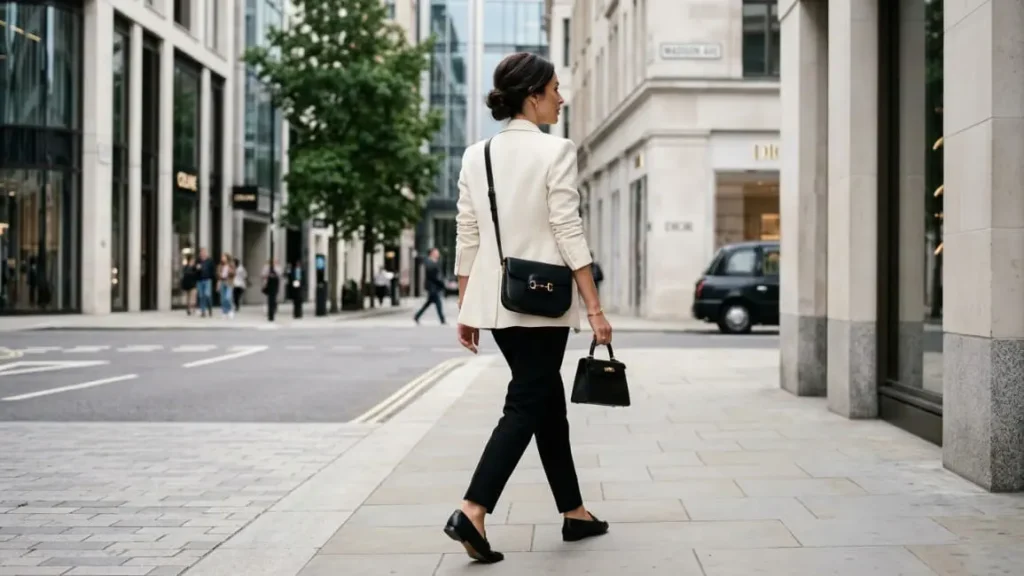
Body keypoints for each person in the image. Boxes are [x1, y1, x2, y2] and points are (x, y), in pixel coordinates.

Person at [443, 52, 612, 564]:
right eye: (556, 89)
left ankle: (574, 512)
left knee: (544, 400)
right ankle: (473, 509)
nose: (562, 97)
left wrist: (466, 304)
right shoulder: (556, 151)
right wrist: (596, 308)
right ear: (533, 95)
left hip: (497, 304)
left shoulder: (476, 155)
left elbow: (467, 232)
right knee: (527, 402)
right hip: (544, 301)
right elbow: (567, 230)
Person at [413, 248, 446, 324]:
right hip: (432, 286)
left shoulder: (435, 262)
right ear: (432, 253)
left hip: (435, 286)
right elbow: (432, 276)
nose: (438, 254)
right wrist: (441, 284)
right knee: (438, 303)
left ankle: (417, 316)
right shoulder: (429, 262)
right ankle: (442, 320)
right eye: (436, 252)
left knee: (428, 303)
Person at [196, 248, 215, 317]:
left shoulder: (210, 261)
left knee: (207, 295)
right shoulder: (198, 260)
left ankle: (209, 307)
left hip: (207, 280)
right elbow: (194, 270)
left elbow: (213, 270)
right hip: (200, 280)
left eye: (204, 252)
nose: (202, 254)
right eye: (201, 252)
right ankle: (203, 311)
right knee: (201, 296)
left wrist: (211, 278)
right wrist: (197, 268)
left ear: (206, 253)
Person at [217, 253, 236, 318]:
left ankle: (230, 310)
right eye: (222, 257)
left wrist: (230, 271)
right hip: (222, 282)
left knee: (228, 297)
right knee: (223, 299)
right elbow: (218, 274)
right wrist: (220, 275)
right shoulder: (220, 265)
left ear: (227, 258)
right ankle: (224, 312)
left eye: (223, 257)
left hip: (229, 282)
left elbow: (234, 273)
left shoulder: (231, 265)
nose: (222, 258)